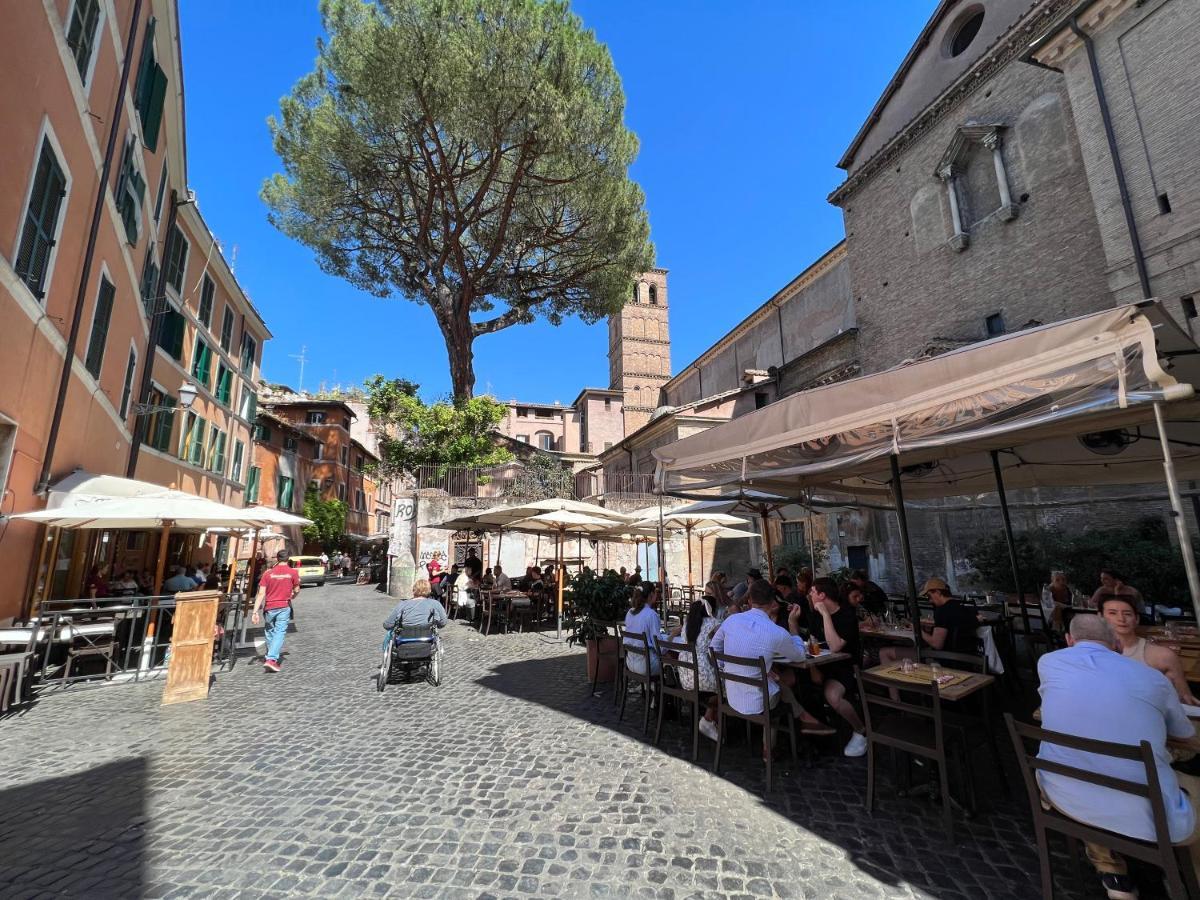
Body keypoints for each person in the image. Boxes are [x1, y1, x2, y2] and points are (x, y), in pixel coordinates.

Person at [1038, 613, 1200, 899]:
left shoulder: (1048, 662)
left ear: (1069, 640)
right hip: (1148, 811)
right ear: (1115, 643)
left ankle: (1112, 871)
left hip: (1064, 791)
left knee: (1087, 763)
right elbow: (1185, 734)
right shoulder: (1152, 678)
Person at [709, 578, 835, 745]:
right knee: (777, 688)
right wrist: (793, 626)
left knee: (776, 683)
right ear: (772, 601)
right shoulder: (776, 632)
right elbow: (799, 656)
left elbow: (713, 649)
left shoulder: (731, 621)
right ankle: (783, 737)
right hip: (759, 703)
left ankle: (800, 722)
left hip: (733, 695)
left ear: (749, 600)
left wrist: (728, 667)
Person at [1101, 595, 1198, 705]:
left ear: (1136, 619)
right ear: (1100, 617)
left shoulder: (1162, 656)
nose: (1121, 619)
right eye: (1112, 613)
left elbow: (1185, 701)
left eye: (1127, 614)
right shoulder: (1091, 654)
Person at [809, 577, 868, 757]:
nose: (809, 595)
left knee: (832, 695)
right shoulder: (814, 615)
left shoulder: (847, 616)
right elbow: (811, 644)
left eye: (812, 592)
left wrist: (826, 615)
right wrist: (792, 623)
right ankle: (816, 737)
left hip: (846, 668)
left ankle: (860, 729)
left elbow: (834, 646)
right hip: (821, 666)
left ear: (822, 595)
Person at [880, 577, 980, 665]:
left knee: (884, 652)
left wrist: (917, 629)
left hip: (945, 659)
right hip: (968, 659)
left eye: (929, 596)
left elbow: (937, 644)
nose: (930, 601)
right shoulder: (963, 607)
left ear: (938, 592)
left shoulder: (943, 610)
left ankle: (903, 684)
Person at [675, 600, 722, 741]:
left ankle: (710, 719)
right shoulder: (714, 623)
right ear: (710, 611)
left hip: (685, 676)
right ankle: (709, 720)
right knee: (727, 686)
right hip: (703, 676)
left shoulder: (687, 623)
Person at [250, 550, 300, 673]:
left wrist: (255, 612)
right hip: (283, 606)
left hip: (269, 607)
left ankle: (269, 655)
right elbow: (297, 589)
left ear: (277, 559)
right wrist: (293, 596)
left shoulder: (268, 573)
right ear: (288, 559)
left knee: (269, 631)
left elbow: (260, 593)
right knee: (280, 632)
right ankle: (271, 659)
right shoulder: (293, 572)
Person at [382, 578, 448, 640]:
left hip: (404, 641)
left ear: (413, 590)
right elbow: (443, 622)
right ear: (429, 591)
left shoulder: (403, 604)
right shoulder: (435, 604)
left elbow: (387, 625)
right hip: (427, 640)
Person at [623, 583, 663, 677]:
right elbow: (659, 646)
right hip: (646, 665)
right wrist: (672, 636)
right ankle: (668, 687)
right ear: (651, 595)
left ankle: (651, 687)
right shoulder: (651, 614)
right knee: (670, 656)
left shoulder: (630, 612)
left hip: (630, 661)